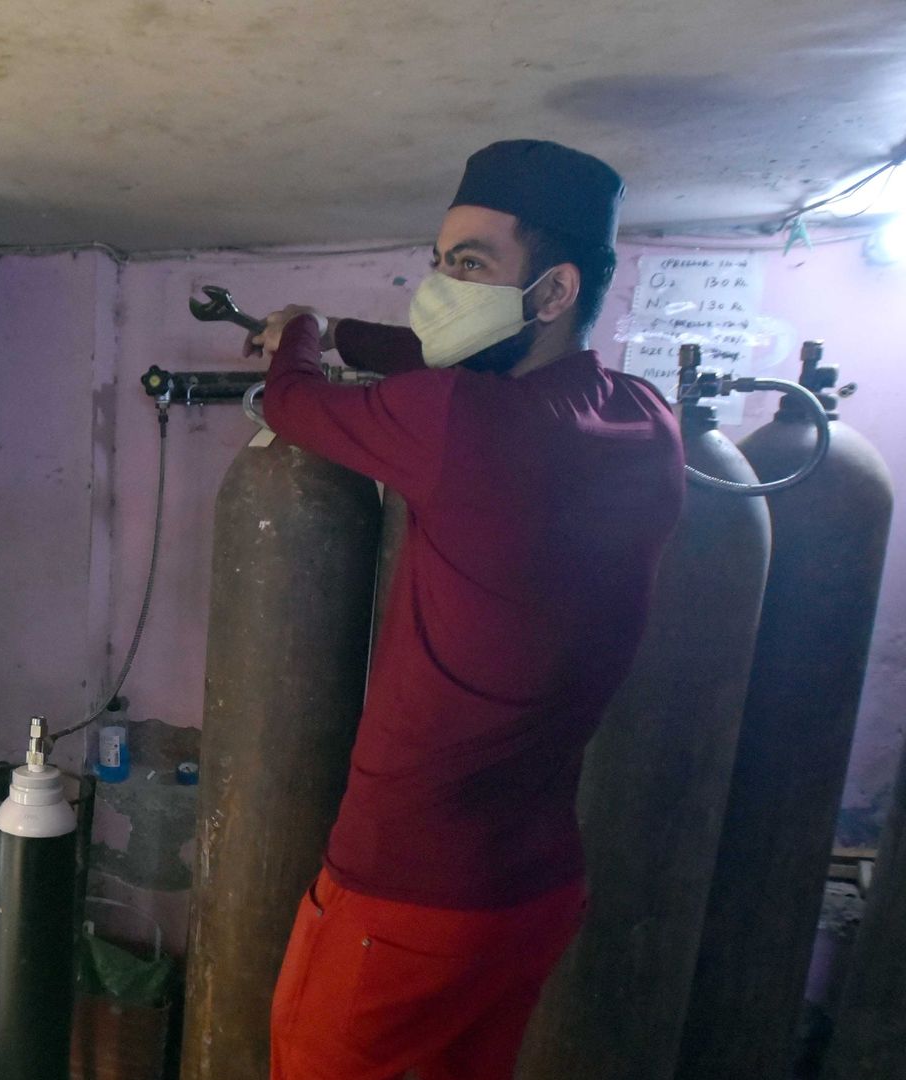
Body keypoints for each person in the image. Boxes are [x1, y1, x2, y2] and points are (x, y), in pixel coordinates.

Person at [251, 140, 686, 1079]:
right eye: (442, 260)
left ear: (555, 290)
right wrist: (347, 333)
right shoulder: (646, 418)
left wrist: (299, 333)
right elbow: (454, 356)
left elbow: (290, 404)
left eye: (471, 264)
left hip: (405, 894)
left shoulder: (459, 425)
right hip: (529, 893)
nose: (438, 286)